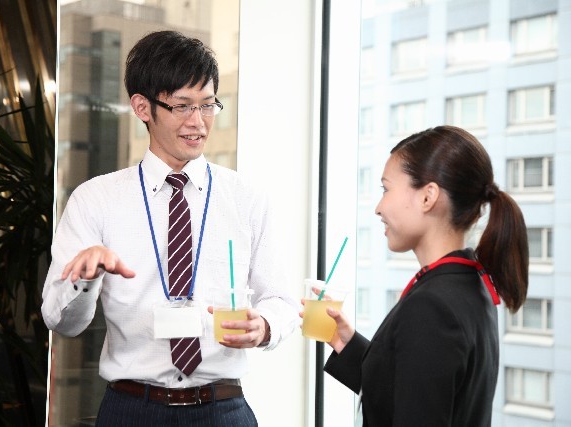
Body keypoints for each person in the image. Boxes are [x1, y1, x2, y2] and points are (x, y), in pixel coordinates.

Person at [41, 30, 299, 426]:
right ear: (142, 107)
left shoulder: (246, 198)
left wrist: (264, 326)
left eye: (208, 105)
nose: (198, 123)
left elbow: (281, 300)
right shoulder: (95, 199)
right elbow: (62, 323)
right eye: (182, 106)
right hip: (131, 410)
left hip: (223, 409)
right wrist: (85, 278)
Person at [322, 126, 529, 426]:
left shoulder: (433, 306)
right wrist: (349, 345)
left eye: (386, 189)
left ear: (428, 197)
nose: (379, 208)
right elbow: (417, 391)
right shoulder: (470, 286)